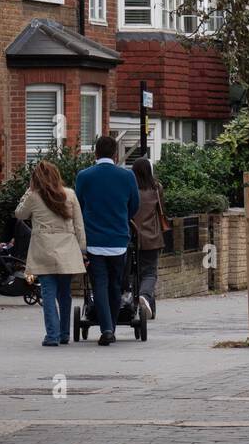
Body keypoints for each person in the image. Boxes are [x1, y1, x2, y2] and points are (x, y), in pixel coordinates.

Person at [75, 136, 139, 346]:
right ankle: (110, 325)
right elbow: (134, 206)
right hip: (118, 239)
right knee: (115, 285)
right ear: (116, 154)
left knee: (99, 285)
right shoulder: (127, 176)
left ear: (95, 153)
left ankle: (107, 328)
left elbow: (79, 206)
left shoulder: (84, 176)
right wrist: (121, 218)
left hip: (93, 240)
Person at [16, 160, 86, 347]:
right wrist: (82, 249)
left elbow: (19, 214)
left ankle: (52, 335)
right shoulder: (69, 194)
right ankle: (64, 334)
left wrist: (27, 191)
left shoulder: (33, 196)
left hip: (43, 248)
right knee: (65, 293)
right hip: (67, 247)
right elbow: (79, 224)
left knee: (48, 292)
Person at [131, 157, 169, 321]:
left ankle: (146, 305)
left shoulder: (130, 189)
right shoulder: (156, 188)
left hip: (131, 237)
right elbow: (162, 210)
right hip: (152, 237)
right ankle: (145, 296)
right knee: (150, 273)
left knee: (133, 271)